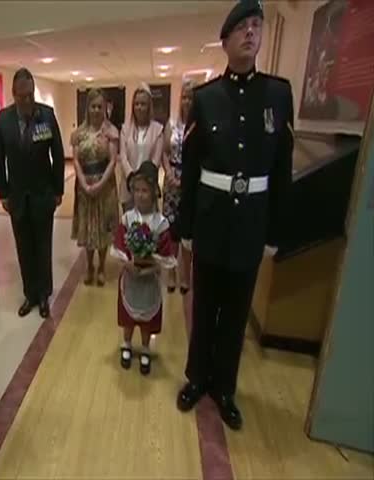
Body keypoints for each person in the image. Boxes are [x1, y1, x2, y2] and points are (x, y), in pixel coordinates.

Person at [177, 0, 294, 430]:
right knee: (204, 305)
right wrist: (185, 228)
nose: (251, 33)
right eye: (242, 27)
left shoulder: (278, 94)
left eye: (256, 26)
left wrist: (275, 231)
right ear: (224, 41)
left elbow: (282, 168)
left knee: (238, 311)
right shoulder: (207, 99)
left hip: (252, 222)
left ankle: (225, 387)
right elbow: (190, 169)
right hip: (210, 218)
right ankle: (197, 378)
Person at [0, 68, 65, 318]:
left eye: (30, 95)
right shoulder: (3, 119)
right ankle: (30, 294)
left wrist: (58, 190)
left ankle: (44, 294)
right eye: (22, 96)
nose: (27, 100)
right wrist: (2, 192)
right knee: (23, 247)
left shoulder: (46, 115)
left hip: (43, 193)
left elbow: (58, 154)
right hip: (17, 196)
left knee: (43, 246)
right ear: (13, 95)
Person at [111, 161, 176, 375]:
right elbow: (120, 245)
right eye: (136, 190)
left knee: (148, 317)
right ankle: (127, 344)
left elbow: (165, 255)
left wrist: (151, 267)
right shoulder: (128, 219)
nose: (140, 195)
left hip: (149, 278)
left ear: (153, 192)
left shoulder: (160, 223)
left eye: (145, 190)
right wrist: (127, 263)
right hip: (130, 277)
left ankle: (146, 346)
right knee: (129, 316)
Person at [71, 88, 119, 286]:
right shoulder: (79, 134)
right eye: (93, 106)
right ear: (87, 108)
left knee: (102, 228)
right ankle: (89, 265)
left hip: (105, 185)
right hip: (84, 186)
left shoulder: (111, 132)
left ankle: (101, 267)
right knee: (88, 227)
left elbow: (113, 161)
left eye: (100, 106)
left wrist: (100, 184)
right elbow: (75, 160)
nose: (97, 110)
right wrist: (84, 183)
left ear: (105, 108)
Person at [161, 80, 196, 295]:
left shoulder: (200, 124)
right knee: (172, 232)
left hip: (191, 182)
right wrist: (169, 173)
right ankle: (172, 273)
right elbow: (165, 152)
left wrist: (187, 178)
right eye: (184, 97)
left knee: (187, 232)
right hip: (171, 182)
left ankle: (186, 276)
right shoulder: (172, 124)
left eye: (191, 97)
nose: (187, 102)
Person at [119, 84, 164, 211]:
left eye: (143, 104)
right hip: (128, 187)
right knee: (129, 226)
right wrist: (132, 178)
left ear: (149, 106)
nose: (139, 107)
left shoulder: (158, 129)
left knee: (148, 227)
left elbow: (156, 160)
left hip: (148, 188)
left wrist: (143, 180)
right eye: (136, 104)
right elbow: (123, 157)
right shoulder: (125, 129)